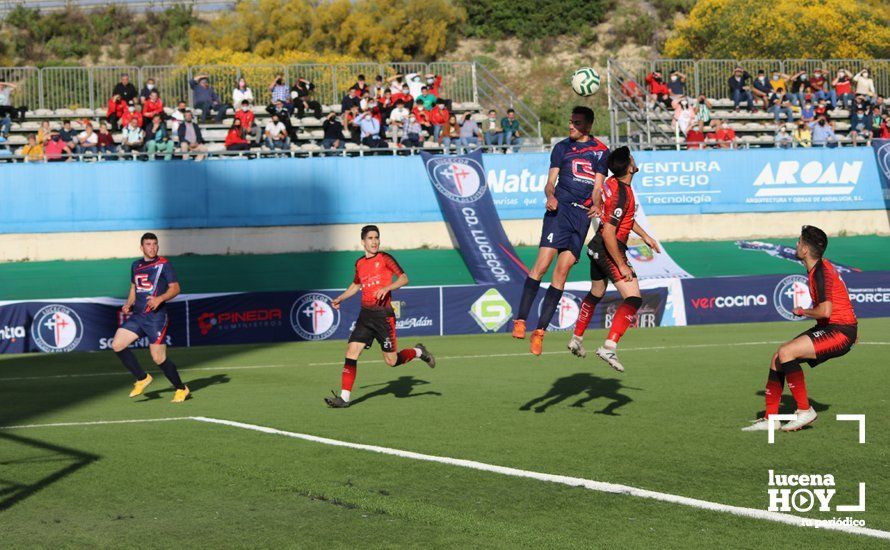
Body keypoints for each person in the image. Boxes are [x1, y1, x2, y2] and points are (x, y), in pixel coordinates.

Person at [512, 106, 610, 356]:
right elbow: (549, 183)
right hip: (560, 210)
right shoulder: (562, 148)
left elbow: (598, 186)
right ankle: (521, 320)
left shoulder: (601, 151)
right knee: (542, 264)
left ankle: (540, 332)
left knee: (562, 271)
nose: (570, 126)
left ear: (587, 126)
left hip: (581, 217)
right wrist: (550, 196)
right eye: (570, 121)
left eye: (576, 123)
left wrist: (597, 204)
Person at [742, 226, 857, 432]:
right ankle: (771, 419)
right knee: (778, 358)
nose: (795, 244)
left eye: (798, 241)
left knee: (787, 352)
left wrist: (803, 311)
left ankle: (804, 411)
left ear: (805, 249)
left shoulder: (821, 272)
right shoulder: (819, 268)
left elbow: (825, 311)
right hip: (838, 328)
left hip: (839, 331)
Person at [568, 146, 660, 372]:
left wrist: (645, 235)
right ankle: (609, 346)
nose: (633, 159)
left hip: (597, 245)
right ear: (630, 167)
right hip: (609, 246)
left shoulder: (613, 183)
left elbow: (621, 217)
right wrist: (620, 264)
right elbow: (610, 231)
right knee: (633, 298)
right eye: (631, 158)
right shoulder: (623, 193)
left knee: (596, 293)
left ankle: (576, 338)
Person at [323, 225, 435, 408]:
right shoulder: (359, 263)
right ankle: (344, 398)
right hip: (366, 316)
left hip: (384, 317)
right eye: (370, 238)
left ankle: (419, 352)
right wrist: (340, 298)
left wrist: (387, 288)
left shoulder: (385, 258)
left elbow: (404, 278)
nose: (374, 241)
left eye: (376, 237)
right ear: (363, 241)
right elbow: (356, 285)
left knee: (392, 361)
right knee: (352, 351)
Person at [110, 232, 190, 403]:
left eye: (155, 244)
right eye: (148, 244)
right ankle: (142, 378)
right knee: (117, 344)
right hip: (139, 315)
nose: (152, 247)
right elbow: (134, 288)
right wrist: (128, 303)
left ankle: (181, 389)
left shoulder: (164, 264)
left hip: (156, 317)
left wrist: (159, 299)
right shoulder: (135, 265)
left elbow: (175, 288)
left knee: (158, 358)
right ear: (141, 247)